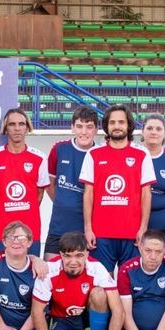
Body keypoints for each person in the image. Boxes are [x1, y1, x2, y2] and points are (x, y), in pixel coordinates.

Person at [80, 104, 155, 273]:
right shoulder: (93, 154)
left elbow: (146, 194)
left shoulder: (142, 154)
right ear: (106, 126)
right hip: (101, 234)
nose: (116, 126)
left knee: (127, 286)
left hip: (132, 234)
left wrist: (143, 228)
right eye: (112, 122)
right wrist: (88, 228)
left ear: (128, 125)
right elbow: (88, 194)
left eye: (121, 122)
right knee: (101, 286)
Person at [31, 232, 122, 330]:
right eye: (68, 256)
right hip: (65, 318)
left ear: (86, 254)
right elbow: (37, 312)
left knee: (99, 294)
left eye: (79, 256)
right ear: (61, 255)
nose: (73, 262)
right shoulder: (49, 270)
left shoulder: (97, 268)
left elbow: (118, 310)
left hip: (91, 312)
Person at [0, 109, 49, 256]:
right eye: (12, 124)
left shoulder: (39, 158)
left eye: (21, 124)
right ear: (6, 128)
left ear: (27, 127)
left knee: (29, 276)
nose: (17, 128)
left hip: (29, 232)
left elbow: (39, 196)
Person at [44, 106, 98, 260]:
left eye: (89, 127)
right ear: (72, 127)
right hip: (59, 225)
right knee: (50, 270)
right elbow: (49, 183)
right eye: (79, 126)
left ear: (96, 129)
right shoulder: (59, 148)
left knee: (88, 275)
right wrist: (63, 201)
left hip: (89, 228)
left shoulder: (100, 153)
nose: (84, 132)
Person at [141, 113, 165, 251]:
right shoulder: (133, 155)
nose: (154, 132)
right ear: (143, 131)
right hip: (137, 225)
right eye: (150, 128)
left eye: (158, 129)